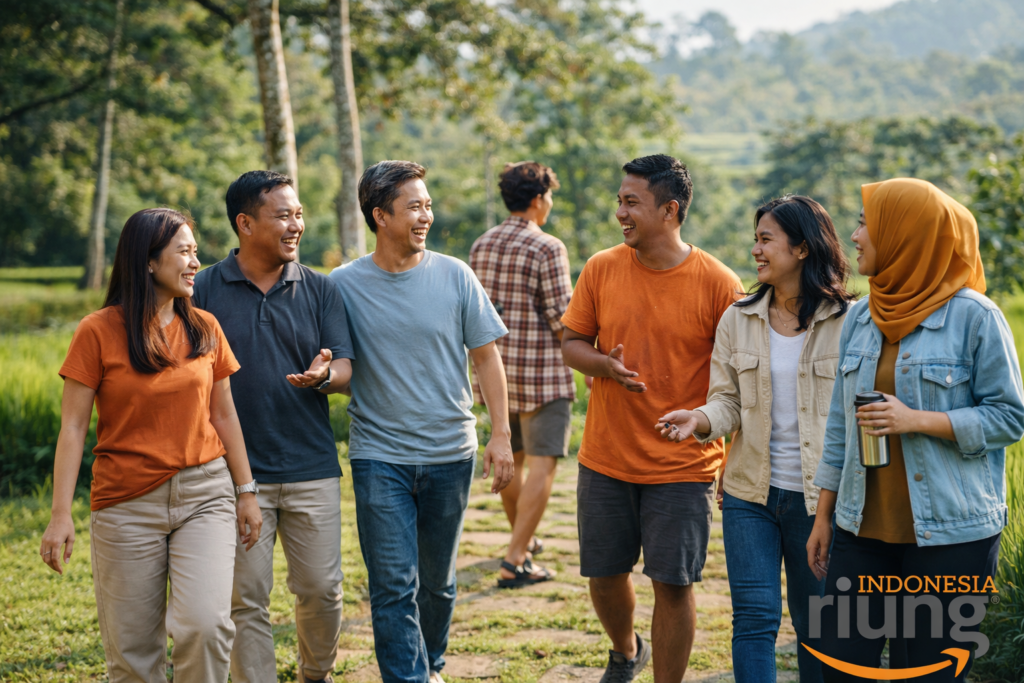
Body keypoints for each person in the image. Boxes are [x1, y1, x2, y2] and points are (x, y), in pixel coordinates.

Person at [805, 178, 1024, 680]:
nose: (854, 236)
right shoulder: (861, 318)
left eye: (865, 223)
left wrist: (915, 421)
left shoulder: (976, 318)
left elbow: (1010, 417)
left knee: (927, 672)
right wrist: (824, 516)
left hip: (951, 539)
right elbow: (841, 426)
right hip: (860, 530)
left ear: (906, 235)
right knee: (839, 667)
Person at [39, 208, 262, 682]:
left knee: (204, 626)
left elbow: (223, 414)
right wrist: (61, 514)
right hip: (125, 504)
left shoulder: (204, 326)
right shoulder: (97, 330)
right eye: (183, 251)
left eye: (195, 252)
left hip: (205, 495)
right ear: (147, 262)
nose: (194, 262)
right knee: (134, 655)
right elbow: (73, 428)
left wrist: (246, 491)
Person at [560, 154, 743, 683]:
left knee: (674, 583)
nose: (620, 211)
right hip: (606, 457)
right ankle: (625, 649)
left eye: (631, 202)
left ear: (670, 210)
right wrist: (604, 366)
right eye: (619, 200)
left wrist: (732, 455)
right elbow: (572, 343)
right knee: (603, 574)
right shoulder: (601, 267)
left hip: (684, 465)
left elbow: (736, 384)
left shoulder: (718, 283)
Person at [329, 160, 514, 683]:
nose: (426, 215)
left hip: (449, 455)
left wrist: (500, 435)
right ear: (380, 215)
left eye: (427, 205)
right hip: (377, 457)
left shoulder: (456, 274)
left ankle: (430, 664)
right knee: (391, 584)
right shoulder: (342, 285)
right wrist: (324, 375)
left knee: (437, 583)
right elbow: (340, 367)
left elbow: (486, 358)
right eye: (415, 206)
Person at [658, 196, 856, 682]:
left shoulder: (849, 321)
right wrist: (699, 420)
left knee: (818, 626)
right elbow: (726, 402)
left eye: (766, 239)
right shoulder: (738, 318)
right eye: (756, 239)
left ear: (804, 249)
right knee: (753, 620)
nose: (756, 250)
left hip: (820, 500)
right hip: (751, 495)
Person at [192, 170, 354, 683]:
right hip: (235, 476)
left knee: (322, 591)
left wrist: (324, 376)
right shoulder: (202, 289)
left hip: (311, 467)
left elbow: (347, 369)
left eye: (299, 214)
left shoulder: (321, 289)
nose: (296, 225)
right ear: (244, 223)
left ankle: (315, 674)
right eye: (283, 215)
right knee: (245, 601)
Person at [469, 161, 575, 588]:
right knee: (543, 465)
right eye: (548, 196)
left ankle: (522, 542)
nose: (549, 204)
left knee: (508, 461)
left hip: (496, 373)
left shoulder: (481, 245)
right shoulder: (548, 246)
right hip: (543, 373)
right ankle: (515, 558)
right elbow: (561, 318)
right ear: (537, 199)